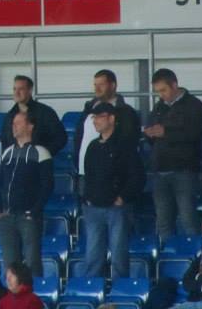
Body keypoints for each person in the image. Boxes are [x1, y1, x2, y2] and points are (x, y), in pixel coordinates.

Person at [81, 102, 146, 280]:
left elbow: (137, 176)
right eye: (94, 117)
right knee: (93, 254)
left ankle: (119, 289)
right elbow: (89, 175)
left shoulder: (125, 145)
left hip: (116, 208)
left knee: (119, 254)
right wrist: (87, 198)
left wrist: (123, 197)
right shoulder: (93, 146)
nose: (95, 121)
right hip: (93, 207)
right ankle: (93, 288)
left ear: (111, 118)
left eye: (99, 117)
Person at [144, 67, 202, 241]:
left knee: (188, 219)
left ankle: (194, 253)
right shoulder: (158, 107)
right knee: (163, 222)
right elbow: (152, 131)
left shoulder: (194, 105)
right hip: (160, 169)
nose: (161, 95)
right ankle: (169, 253)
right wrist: (150, 133)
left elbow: (194, 134)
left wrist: (165, 133)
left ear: (174, 85)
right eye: (158, 91)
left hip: (184, 169)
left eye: (163, 90)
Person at [0, 111, 53, 275]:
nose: (14, 126)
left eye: (18, 123)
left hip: (28, 216)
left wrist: (34, 211)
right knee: (10, 265)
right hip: (6, 216)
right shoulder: (7, 152)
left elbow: (47, 185)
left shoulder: (41, 152)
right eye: (13, 123)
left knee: (32, 261)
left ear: (30, 126)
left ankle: (34, 290)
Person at [73, 69, 141, 178]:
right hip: (85, 169)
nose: (97, 89)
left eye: (101, 85)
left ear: (113, 85)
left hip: (113, 172)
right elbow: (79, 136)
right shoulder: (88, 109)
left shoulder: (126, 112)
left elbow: (129, 141)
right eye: (95, 85)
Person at [0, 75, 66, 156]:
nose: (16, 93)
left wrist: (44, 154)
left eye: (21, 89)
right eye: (14, 89)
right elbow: (4, 141)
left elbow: (61, 138)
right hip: (15, 161)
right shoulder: (9, 116)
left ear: (30, 90)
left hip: (39, 162)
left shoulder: (45, 113)